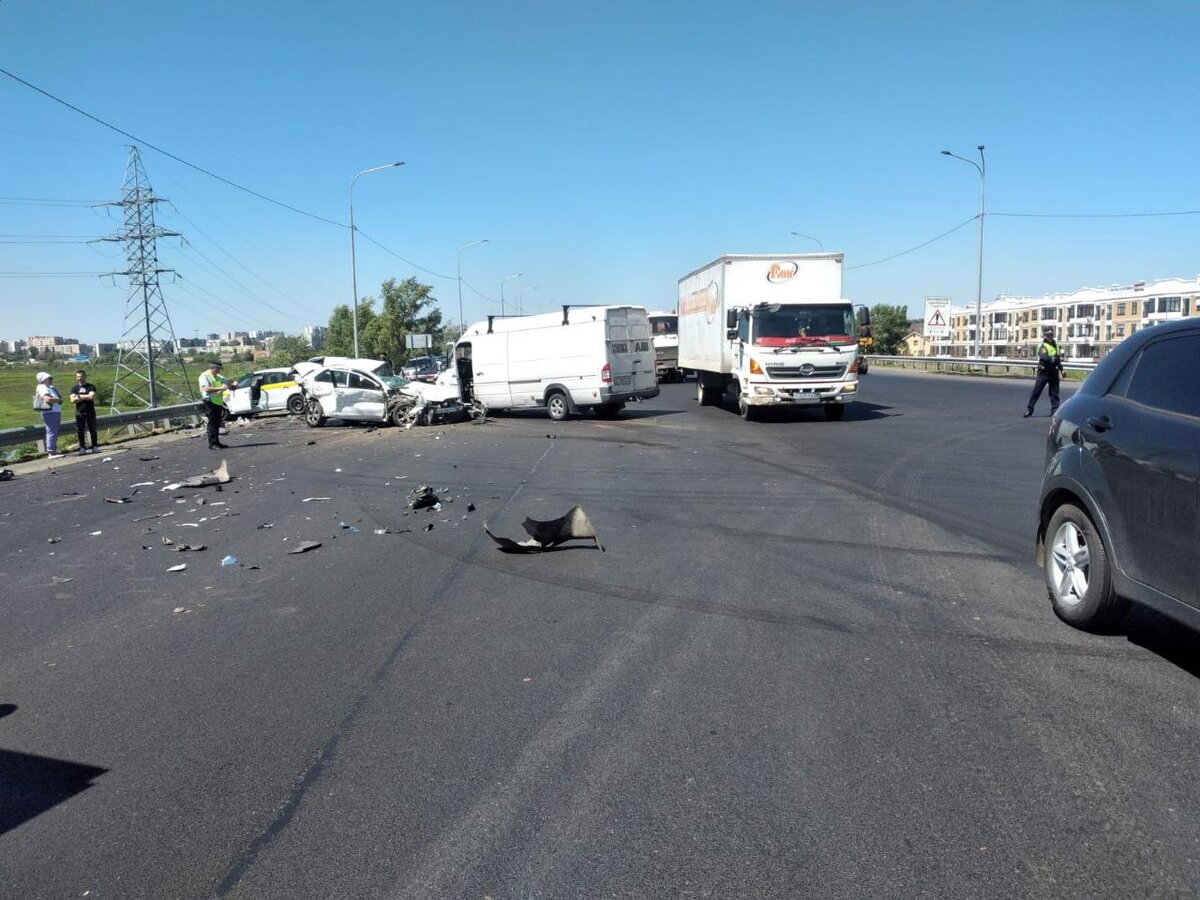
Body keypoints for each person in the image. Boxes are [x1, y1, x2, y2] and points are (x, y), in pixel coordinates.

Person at [1026, 328, 1064, 417]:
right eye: (1048, 335)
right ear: (1045, 336)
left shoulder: (1056, 346)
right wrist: (1054, 358)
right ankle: (1030, 409)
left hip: (1054, 372)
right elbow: (1045, 359)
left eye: (1051, 334)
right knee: (1037, 391)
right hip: (1044, 372)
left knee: (1054, 393)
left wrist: (1061, 369)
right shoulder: (1042, 346)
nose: (1050, 336)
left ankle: (1054, 411)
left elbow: (1059, 361)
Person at [199, 360, 233, 449]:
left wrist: (233, 383)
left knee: (217, 423)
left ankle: (217, 442)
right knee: (212, 423)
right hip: (209, 402)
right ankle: (212, 443)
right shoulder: (204, 376)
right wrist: (220, 388)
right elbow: (206, 389)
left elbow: (229, 381)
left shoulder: (218, 376)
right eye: (218, 369)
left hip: (217, 401)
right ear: (213, 368)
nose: (219, 371)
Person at [34, 371, 64, 458]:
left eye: (51, 378)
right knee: (52, 431)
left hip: (55, 411)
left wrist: (57, 399)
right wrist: (58, 400)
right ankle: (51, 452)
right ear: (43, 380)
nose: (51, 380)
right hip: (49, 412)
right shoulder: (42, 387)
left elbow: (58, 398)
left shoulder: (50, 387)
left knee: (53, 431)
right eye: (49, 379)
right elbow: (48, 399)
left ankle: (53, 450)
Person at [70, 369, 100, 455]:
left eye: (81, 376)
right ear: (76, 377)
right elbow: (72, 400)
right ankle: (82, 447)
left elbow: (91, 397)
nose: (80, 378)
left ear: (85, 376)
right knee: (80, 430)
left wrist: (78, 396)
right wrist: (86, 396)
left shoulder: (91, 386)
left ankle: (94, 446)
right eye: (78, 377)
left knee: (93, 429)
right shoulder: (74, 388)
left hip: (90, 411)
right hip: (79, 412)